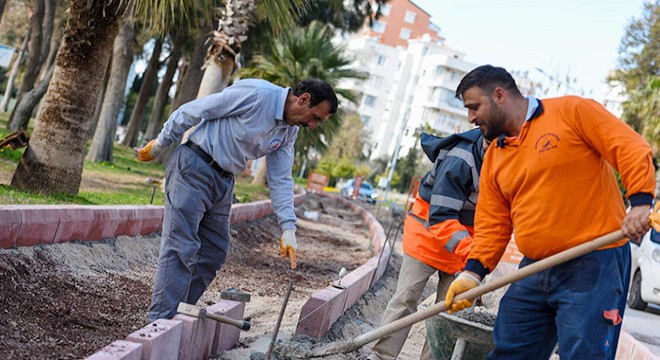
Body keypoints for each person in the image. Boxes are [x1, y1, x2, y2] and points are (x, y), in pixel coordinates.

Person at [444, 65, 655, 359]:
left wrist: (641, 202)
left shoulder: (572, 112)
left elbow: (629, 147)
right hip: (534, 268)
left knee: (584, 353)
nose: (471, 117)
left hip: (593, 262)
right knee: (511, 350)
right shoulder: (495, 155)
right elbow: (493, 222)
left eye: (474, 107)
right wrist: (473, 272)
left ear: (499, 95)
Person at [135, 78, 338, 321]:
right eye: (315, 117)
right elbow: (193, 110)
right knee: (181, 246)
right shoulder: (257, 94)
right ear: (303, 99)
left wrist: (288, 228)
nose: (313, 125)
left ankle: (176, 313)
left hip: (224, 182)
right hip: (194, 166)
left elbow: (281, 178)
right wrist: (160, 145)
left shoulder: (289, 131)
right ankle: (159, 321)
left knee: (214, 250)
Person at [368, 128, 488, 360]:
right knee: (406, 297)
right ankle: (381, 356)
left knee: (451, 313)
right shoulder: (460, 160)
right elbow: (441, 216)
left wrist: (480, 262)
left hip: (466, 244)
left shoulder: (508, 161)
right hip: (428, 236)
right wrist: (476, 260)